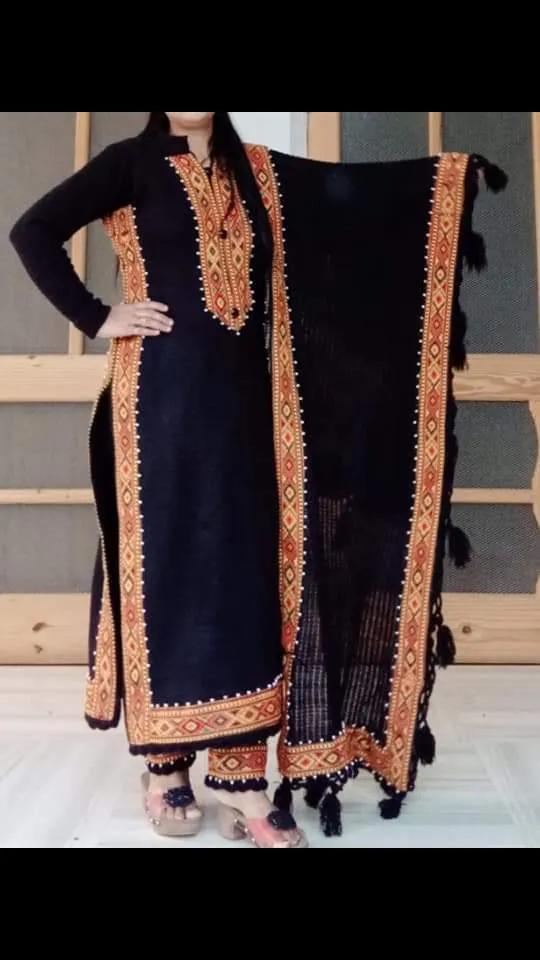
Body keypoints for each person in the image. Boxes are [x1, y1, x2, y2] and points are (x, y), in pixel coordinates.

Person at [11, 110, 506, 843]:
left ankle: (240, 779)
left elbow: (347, 221)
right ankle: (167, 767)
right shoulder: (131, 162)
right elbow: (33, 231)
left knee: (245, 575)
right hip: (160, 404)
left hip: (251, 411)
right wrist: (97, 315)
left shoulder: (260, 173)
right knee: (171, 570)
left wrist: (438, 185)